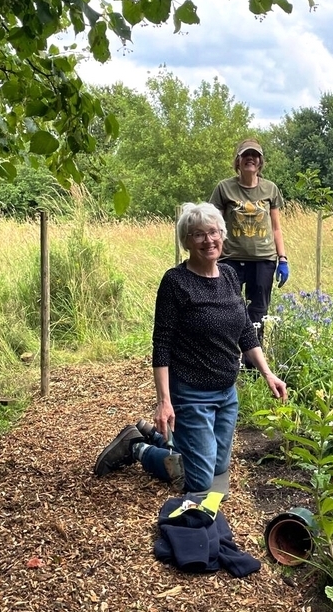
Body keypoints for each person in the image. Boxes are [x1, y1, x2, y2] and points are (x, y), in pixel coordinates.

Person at [95, 202, 286, 497]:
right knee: (199, 479)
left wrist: (268, 373)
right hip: (191, 394)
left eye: (213, 232)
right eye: (198, 234)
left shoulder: (229, 275)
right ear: (186, 241)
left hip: (227, 393)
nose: (208, 240)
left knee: (219, 466)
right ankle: (137, 447)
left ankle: (154, 436)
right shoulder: (176, 282)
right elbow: (162, 344)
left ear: (222, 235)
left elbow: (246, 331)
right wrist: (164, 401)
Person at [209, 138, 289, 351]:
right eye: (245, 155)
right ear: (238, 160)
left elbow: (276, 228)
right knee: (229, 310)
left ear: (260, 162)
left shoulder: (270, 189)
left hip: (263, 260)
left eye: (255, 155)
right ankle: (228, 356)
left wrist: (282, 259)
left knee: (258, 313)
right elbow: (213, 225)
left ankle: (252, 362)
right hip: (230, 260)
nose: (250, 159)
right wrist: (211, 257)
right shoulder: (224, 188)